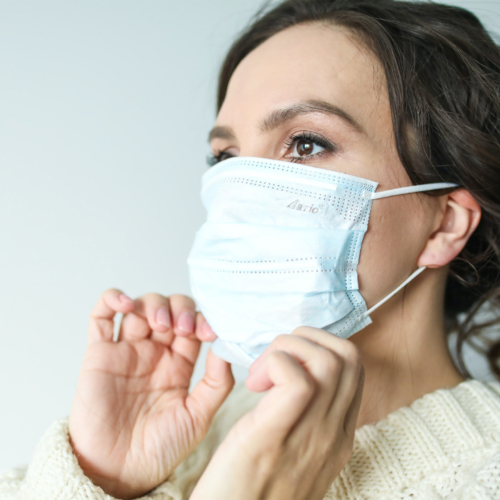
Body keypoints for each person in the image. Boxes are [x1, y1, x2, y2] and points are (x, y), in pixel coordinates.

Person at [3, 0, 500, 498]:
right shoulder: (187, 435)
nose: (241, 191)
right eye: (226, 158)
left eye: (305, 144)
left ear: (445, 225)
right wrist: (104, 479)